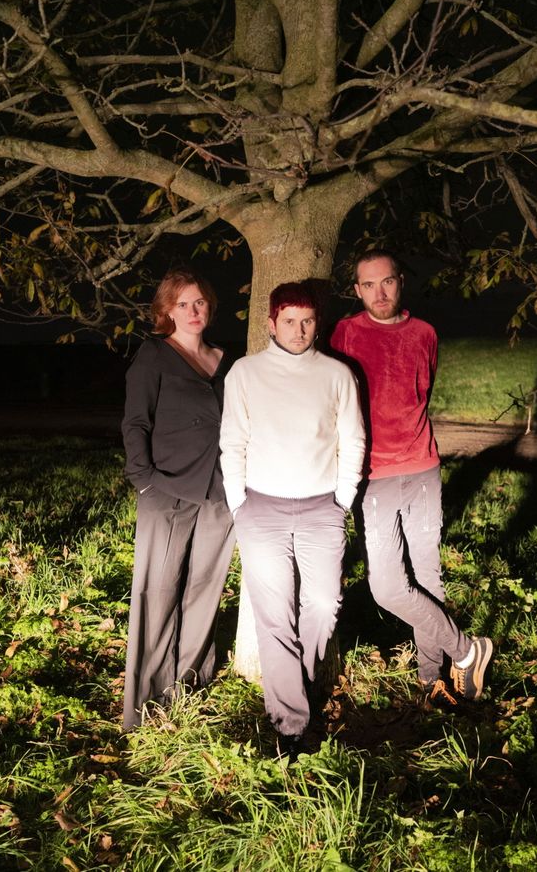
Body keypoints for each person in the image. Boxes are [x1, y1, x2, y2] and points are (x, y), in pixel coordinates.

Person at [331, 249, 493, 707]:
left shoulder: (424, 333)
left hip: (423, 468)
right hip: (374, 476)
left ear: (400, 281)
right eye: (368, 285)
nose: (379, 292)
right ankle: (467, 650)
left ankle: (430, 680)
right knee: (387, 587)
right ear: (357, 290)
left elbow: (423, 391)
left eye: (387, 281)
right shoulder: (345, 333)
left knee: (428, 576)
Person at [220, 281, 365, 756]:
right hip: (261, 508)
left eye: (306, 321)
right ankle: (290, 726)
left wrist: (343, 499)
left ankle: (293, 687)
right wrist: (238, 503)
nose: (298, 331)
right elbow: (232, 441)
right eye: (289, 321)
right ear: (271, 323)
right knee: (275, 614)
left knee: (323, 603)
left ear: (316, 323)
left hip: (322, 507)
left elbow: (353, 440)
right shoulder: (245, 373)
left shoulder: (337, 374)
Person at [121, 266, 235, 729]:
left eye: (199, 302)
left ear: (210, 306)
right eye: (182, 304)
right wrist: (144, 480)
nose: (192, 311)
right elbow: (135, 423)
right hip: (166, 488)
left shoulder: (227, 361)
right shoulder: (154, 355)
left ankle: (189, 687)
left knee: (205, 588)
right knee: (159, 589)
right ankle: (147, 702)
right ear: (166, 310)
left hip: (220, 491)